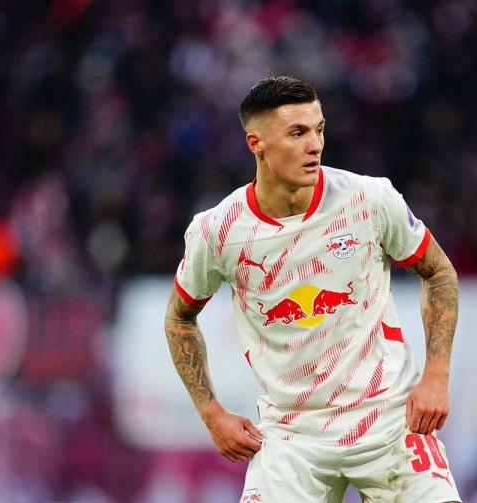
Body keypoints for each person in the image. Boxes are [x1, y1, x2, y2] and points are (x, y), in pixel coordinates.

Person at [164, 76, 461, 503]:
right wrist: (211, 413)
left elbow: (439, 272)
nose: (315, 145)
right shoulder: (218, 230)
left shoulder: (369, 198)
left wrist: (436, 375)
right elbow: (179, 318)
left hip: (390, 421)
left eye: (319, 129)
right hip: (292, 439)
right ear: (256, 143)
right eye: (298, 133)